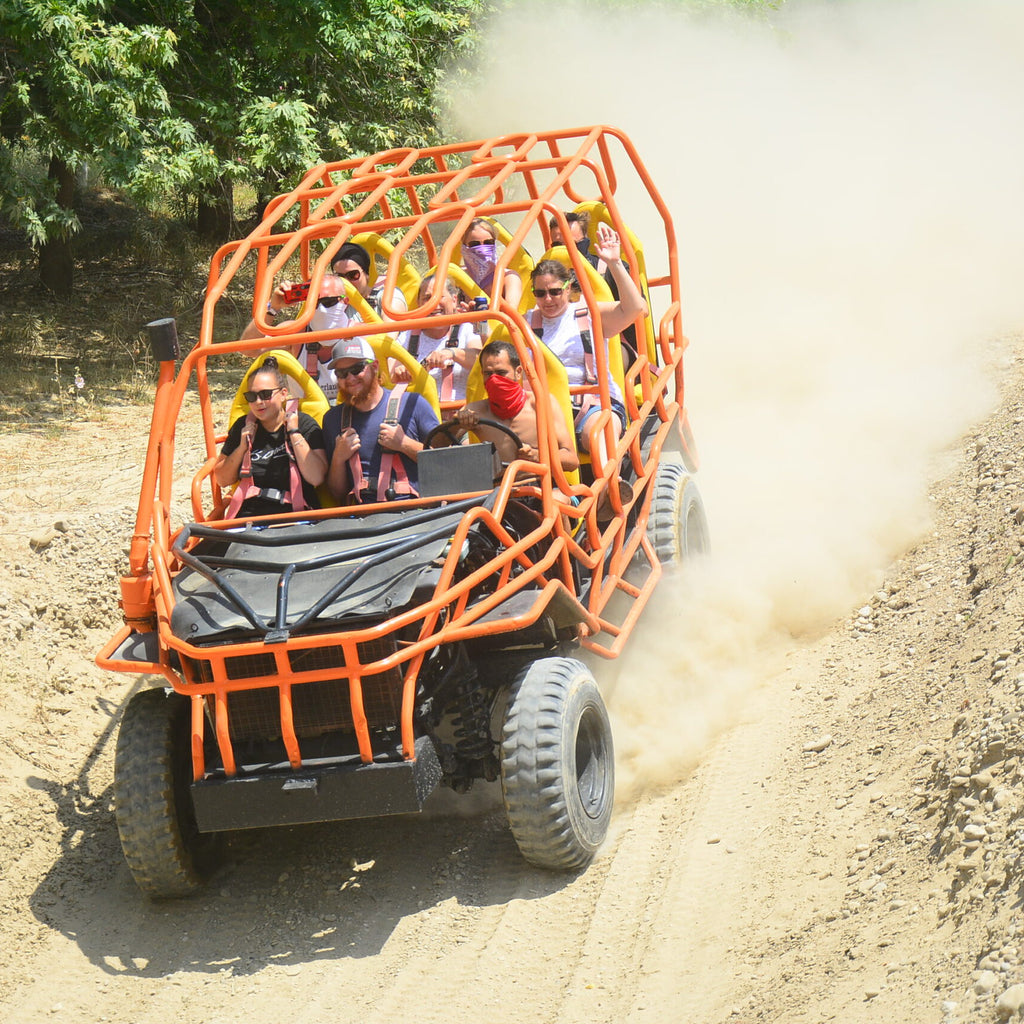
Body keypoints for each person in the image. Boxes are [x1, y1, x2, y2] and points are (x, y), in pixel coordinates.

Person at [528, 222, 647, 455]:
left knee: (597, 435)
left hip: (592, 404)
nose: (548, 299)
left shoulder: (587, 312)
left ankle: (609, 488)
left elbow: (635, 309)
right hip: (542, 410)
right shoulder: (525, 321)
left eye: (554, 291)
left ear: (568, 287)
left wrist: (613, 262)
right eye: (540, 294)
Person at [323, 338, 440, 503]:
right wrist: (338, 458)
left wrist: (404, 444)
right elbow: (337, 493)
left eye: (357, 369)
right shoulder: (333, 419)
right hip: (363, 519)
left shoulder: (413, 404)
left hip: (412, 513)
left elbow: (442, 464)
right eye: (342, 374)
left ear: (375, 366)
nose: (349, 378)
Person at [214, 356, 327, 518]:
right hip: (251, 517)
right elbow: (222, 479)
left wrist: (294, 434)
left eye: (265, 394)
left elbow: (317, 478)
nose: (259, 402)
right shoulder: (242, 426)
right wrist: (241, 448)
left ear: (283, 394)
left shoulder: (304, 424)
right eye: (252, 397)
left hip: (296, 515)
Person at [445, 340, 579, 473]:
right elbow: (434, 446)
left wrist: (538, 456)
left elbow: (572, 460)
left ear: (518, 372)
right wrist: (456, 423)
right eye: (488, 374)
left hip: (541, 488)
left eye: (501, 373)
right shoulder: (476, 410)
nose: (494, 380)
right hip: (498, 491)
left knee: (560, 496)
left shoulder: (541, 403)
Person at [391, 275, 482, 402]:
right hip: (420, 413)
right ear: (419, 304)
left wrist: (451, 353)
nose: (434, 304)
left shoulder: (466, 328)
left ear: (454, 300)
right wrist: (400, 372)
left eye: (439, 297)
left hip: (461, 411)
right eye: (427, 298)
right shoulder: (408, 334)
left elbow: (481, 360)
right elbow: (390, 373)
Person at [461, 218, 523, 309]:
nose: (482, 249)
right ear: (464, 247)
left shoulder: (508, 277)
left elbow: (511, 312)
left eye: (488, 242)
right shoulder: (458, 277)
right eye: (475, 244)